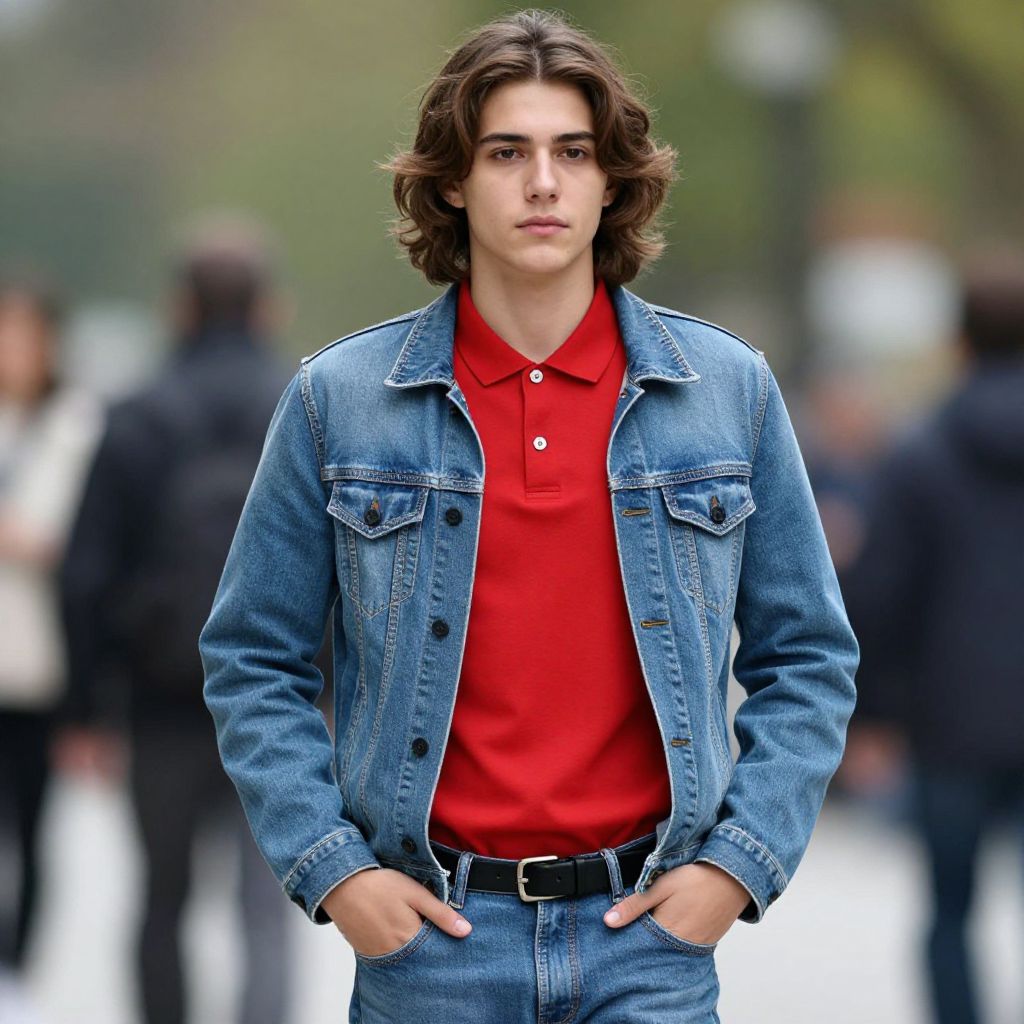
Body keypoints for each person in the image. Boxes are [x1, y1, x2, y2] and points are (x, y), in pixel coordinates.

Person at [200, 10, 859, 1022]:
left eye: (573, 152)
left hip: (648, 943)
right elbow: (253, 656)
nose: (543, 182)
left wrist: (736, 865)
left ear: (612, 180)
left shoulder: (727, 391)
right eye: (507, 152)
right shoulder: (341, 400)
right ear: (453, 181)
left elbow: (807, 654)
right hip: (431, 946)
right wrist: (338, 872)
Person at [56, 213, 295, 1024]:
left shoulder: (136, 414)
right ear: (268, 308)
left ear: (179, 308)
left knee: (162, 900)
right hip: (287, 700)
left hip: (160, 695)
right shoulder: (303, 407)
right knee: (269, 907)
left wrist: (84, 708)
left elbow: (86, 572)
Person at [841, 245, 1024, 1024]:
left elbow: (881, 593)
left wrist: (872, 713)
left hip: (951, 722)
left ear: (959, 341)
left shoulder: (919, 453)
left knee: (950, 909)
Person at [0, 271, 104, 973]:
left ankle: (18, 971)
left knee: (33, 828)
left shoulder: (76, 422)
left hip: (40, 664)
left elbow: (77, 542)